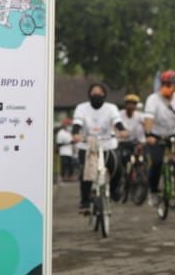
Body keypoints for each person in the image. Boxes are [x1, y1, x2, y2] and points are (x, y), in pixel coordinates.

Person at [70, 83, 126, 212]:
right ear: (89, 94)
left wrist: (122, 130)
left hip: (107, 145)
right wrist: (75, 134)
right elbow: (77, 123)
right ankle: (85, 201)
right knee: (87, 173)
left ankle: (113, 191)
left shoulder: (111, 108)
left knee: (117, 169)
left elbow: (117, 121)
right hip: (87, 145)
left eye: (99, 93)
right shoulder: (82, 108)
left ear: (104, 95)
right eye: (93, 93)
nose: (96, 95)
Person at [144, 70, 175, 206]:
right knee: (157, 162)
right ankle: (154, 191)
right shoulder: (152, 99)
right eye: (165, 84)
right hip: (156, 135)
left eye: (171, 84)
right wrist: (148, 135)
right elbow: (148, 118)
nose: (168, 86)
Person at [118, 93, 146, 198]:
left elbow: (146, 126)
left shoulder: (140, 116)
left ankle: (141, 178)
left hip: (136, 143)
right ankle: (122, 179)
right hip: (122, 143)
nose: (131, 106)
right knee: (122, 160)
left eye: (133, 104)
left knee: (141, 160)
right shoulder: (119, 115)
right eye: (129, 104)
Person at [55, 118, 75, 182]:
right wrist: (68, 142)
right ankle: (62, 176)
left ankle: (70, 177)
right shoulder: (60, 133)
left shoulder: (69, 133)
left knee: (71, 165)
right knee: (64, 164)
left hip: (70, 152)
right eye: (68, 124)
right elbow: (58, 144)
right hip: (63, 152)